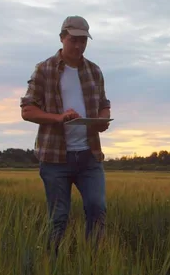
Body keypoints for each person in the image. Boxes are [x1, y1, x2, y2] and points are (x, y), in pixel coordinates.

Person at [19, 15, 111, 255]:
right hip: (55, 158)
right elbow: (27, 110)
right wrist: (58, 118)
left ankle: (93, 261)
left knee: (97, 208)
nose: (79, 46)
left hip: (89, 155)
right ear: (62, 38)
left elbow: (104, 103)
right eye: (74, 40)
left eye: (83, 41)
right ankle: (54, 262)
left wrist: (102, 119)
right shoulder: (45, 69)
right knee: (58, 217)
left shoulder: (94, 71)